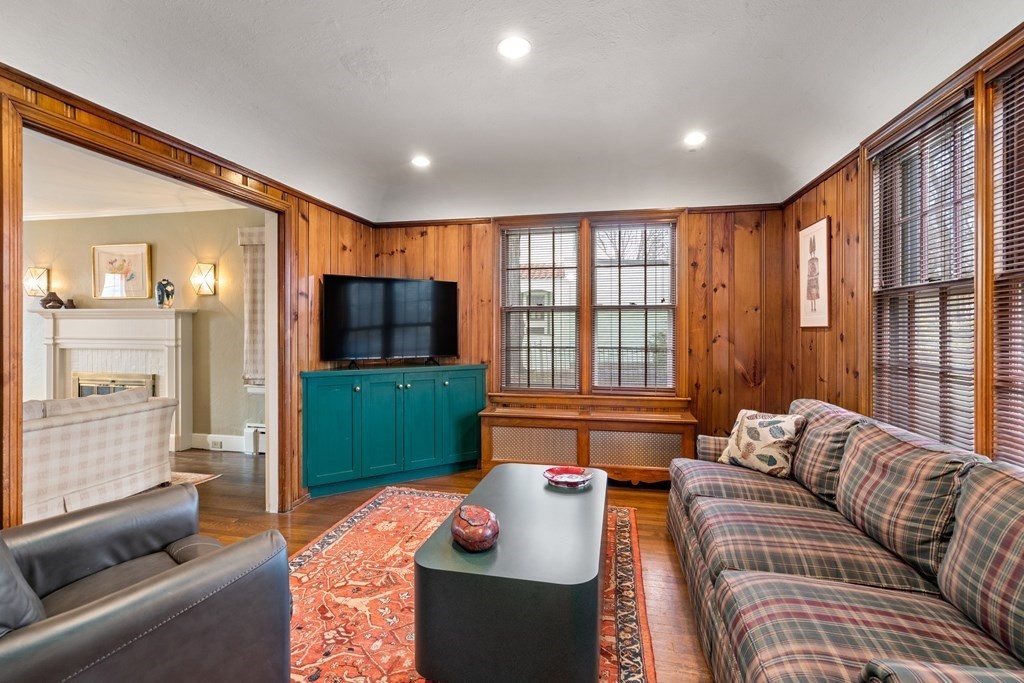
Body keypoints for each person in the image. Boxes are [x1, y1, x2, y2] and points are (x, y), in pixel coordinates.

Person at [806, 236, 820, 312]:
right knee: (812, 296)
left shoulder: (814, 262)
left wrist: (815, 275)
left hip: (813, 281)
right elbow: (809, 273)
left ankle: (814, 308)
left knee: (813, 296)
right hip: (811, 282)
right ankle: (812, 308)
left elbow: (816, 272)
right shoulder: (810, 263)